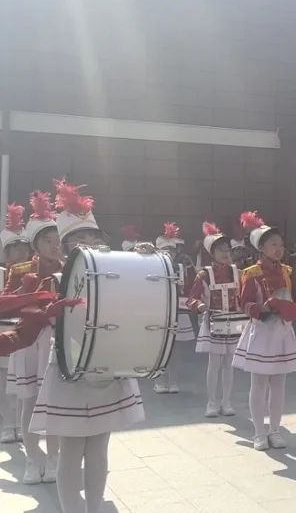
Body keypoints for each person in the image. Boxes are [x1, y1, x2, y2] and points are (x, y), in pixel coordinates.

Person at [31, 181, 147, 513]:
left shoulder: (117, 275)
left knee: (99, 445)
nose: (89, 243)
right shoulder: (53, 280)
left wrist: (141, 261)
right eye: (79, 239)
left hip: (107, 365)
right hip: (71, 370)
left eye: (93, 237)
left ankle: (94, 507)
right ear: (64, 248)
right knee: (71, 447)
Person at [232, 211, 296, 451]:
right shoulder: (251, 274)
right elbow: (244, 304)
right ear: (261, 248)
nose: (278, 248)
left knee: (279, 384)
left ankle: (275, 430)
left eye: (280, 244)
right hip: (262, 332)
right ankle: (258, 432)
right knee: (259, 384)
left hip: (283, 332)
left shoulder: (289, 271)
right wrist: (263, 308)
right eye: (273, 245)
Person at [5, 189, 62, 484]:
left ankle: (54, 458)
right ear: (35, 244)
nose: (55, 246)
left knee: (52, 401)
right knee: (28, 401)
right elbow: (8, 303)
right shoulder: (19, 269)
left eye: (58, 240)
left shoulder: (71, 268)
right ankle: (31, 458)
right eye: (47, 241)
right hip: (29, 343)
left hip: (56, 344)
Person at [189, 221, 242, 418]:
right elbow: (191, 298)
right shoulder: (205, 274)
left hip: (234, 321)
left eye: (228, 249)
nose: (226, 253)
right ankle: (211, 402)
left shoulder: (238, 272)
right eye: (221, 249)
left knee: (229, 364)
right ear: (212, 252)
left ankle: (227, 402)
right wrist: (200, 306)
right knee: (215, 363)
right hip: (213, 322)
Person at [150, 222, 193, 393]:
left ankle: (173, 381)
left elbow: (189, 288)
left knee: (175, 351)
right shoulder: (152, 267)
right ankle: (159, 381)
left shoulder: (182, 267)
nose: (170, 253)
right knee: (159, 348)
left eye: (172, 250)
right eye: (165, 250)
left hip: (178, 311)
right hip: (159, 312)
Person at [1, 203, 31, 444]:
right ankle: (6, 424)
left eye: (24, 249)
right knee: (2, 385)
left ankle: (22, 424)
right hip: (3, 335)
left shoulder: (37, 275)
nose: (20, 254)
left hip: (26, 338)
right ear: (6, 253)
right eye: (14, 250)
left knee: (23, 385)